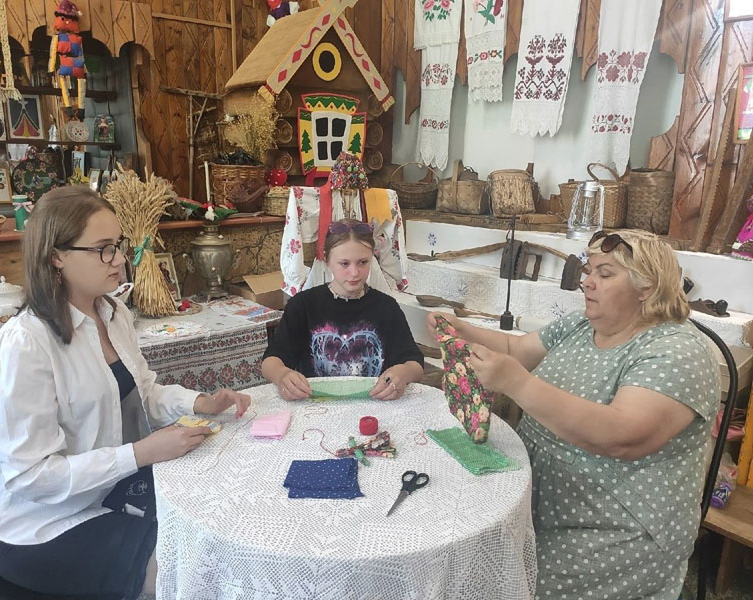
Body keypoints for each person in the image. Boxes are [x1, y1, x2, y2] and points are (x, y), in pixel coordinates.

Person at [0, 187, 251, 600]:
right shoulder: (25, 344)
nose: (121, 259)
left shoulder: (113, 312)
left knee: (218, 520)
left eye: (118, 245)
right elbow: (29, 476)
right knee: (188, 570)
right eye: (103, 249)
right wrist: (139, 454)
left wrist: (200, 403)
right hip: (39, 525)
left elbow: (142, 392)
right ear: (56, 256)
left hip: (108, 490)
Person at [427, 229, 719, 600]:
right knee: (458, 548)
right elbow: (515, 351)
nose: (587, 283)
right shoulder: (583, 324)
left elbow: (624, 436)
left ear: (646, 287)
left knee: (496, 581)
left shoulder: (678, 351)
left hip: (614, 524)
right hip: (538, 496)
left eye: (605, 274)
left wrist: (518, 384)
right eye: (589, 271)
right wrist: (461, 329)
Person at [263, 219, 424, 401]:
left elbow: (415, 364)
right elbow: (271, 361)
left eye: (363, 262)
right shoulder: (303, 305)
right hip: (315, 406)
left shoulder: (387, 307)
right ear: (327, 260)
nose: (354, 272)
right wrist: (282, 375)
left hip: (374, 405)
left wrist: (403, 372)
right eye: (344, 264)